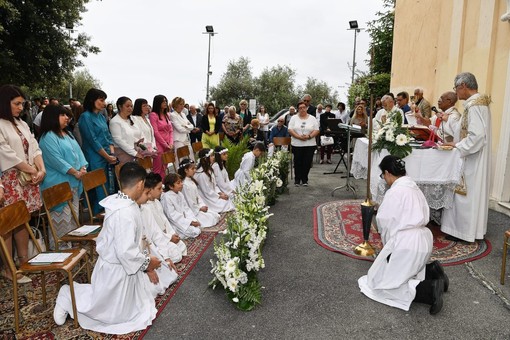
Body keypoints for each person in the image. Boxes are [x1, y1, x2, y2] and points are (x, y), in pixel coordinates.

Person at [53, 162, 160, 333]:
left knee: (136, 310)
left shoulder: (125, 202)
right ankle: (67, 295)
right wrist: (147, 263)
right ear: (140, 184)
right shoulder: (123, 212)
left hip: (124, 268)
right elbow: (125, 252)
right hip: (115, 269)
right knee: (112, 317)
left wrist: (146, 263)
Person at [358, 155, 447, 314]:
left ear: (387, 173)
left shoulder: (395, 192)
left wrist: (388, 249)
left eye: (383, 176)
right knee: (392, 274)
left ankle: (430, 289)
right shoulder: (414, 186)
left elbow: (385, 222)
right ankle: (431, 271)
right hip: (424, 240)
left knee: (379, 286)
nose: (384, 180)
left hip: (407, 245)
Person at [0, 84, 46, 283]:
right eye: (16, 104)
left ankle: (24, 262)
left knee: (22, 221)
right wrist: (31, 169)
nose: (20, 107)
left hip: (27, 178)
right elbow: (5, 153)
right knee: (7, 226)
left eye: (22, 103)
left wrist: (41, 169)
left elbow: (34, 147)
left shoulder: (21, 124)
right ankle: (9, 269)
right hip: (9, 180)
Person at [441, 72, 491, 242]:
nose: (456, 93)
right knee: (466, 195)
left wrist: (457, 146)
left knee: (466, 195)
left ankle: (465, 232)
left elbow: (477, 136)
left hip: (471, 158)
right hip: (473, 156)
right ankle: (465, 230)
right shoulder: (476, 103)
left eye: (456, 88)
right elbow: (463, 129)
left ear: (463, 86)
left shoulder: (475, 105)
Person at [39, 105, 88, 249]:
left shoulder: (67, 133)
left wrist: (83, 168)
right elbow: (56, 160)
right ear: (52, 117)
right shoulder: (47, 137)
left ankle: (71, 251)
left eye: (67, 115)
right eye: (62, 115)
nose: (67, 118)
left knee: (72, 220)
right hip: (57, 186)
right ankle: (60, 254)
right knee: (60, 222)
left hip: (72, 183)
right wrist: (75, 172)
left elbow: (79, 152)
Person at [79, 88, 118, 214]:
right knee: (100, 189)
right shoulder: (85, 117)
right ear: (92, 100)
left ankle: (108, 214)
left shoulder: (101, 117)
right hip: (94, 157)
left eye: (104, 100)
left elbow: (108, 136)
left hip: (107, 156)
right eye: (101, 100)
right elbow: (93, 140)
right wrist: (107, 156)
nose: (104, 103)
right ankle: (98, 215)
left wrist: (112, 154)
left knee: (110, 188)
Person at [136, 181, 178, 298]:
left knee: (171, 274)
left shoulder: (146, 209)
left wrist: (166, 257)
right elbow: (130, 249)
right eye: (147, 193)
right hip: (137, 261)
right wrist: (147, 268)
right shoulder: (129, 214)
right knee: (152, 290)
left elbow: (156, 234)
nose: (149, 197)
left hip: (150, 252)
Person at [141, 173, 187, 263]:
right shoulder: (145, 207)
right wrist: (169, 237)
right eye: (159, 188)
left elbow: (165, 221)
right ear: (150, 190)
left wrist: (172, 234)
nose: (162, 191)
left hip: (166, 236)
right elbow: (154, 230)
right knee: (176, 254)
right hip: (159, 240)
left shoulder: (157, 202)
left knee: (181, 246)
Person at [179, 158, 220, 228]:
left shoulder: (191, 181)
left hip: (198, 207)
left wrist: (202, 205)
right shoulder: (185, 185)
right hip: (194, 211)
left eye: (194, 168)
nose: (195, 170)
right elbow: (189, 202)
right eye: (192, 169)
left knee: (216, 215)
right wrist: (199, 209)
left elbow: (198, 196)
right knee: (212, 219)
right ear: (186, 170)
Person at [287, 101, 320, 186]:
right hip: (297, 143)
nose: (302, 109)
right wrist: (298, 137)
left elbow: (316, 130)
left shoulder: (312, 118)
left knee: (307, 162)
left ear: (306, 108)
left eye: (304, 107)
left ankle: (305, 179)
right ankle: (297, 179)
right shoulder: (294, 118)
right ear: (298, 109)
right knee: (298, 162)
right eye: (300, 108)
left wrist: (309, 136)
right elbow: (290, 129)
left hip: (310, 144)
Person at [160, 173, 202, 239]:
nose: (181, 184)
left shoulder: (180, 194)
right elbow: (172, 216)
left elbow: (186, 209)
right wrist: (189, 222)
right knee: (194, 231)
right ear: (171, 186)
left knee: (198, 225)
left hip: (186, 220)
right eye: (178, 183)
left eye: (181, 182)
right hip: (177, 223)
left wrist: (192, 220)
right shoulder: (167, 197)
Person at [194, 148, 235, 213]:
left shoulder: (209, 168)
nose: (214, 157)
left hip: (213, 194)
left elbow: (214, 185)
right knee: (227, 204)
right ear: (205, 159)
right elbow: (207, 191)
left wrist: (220, 193)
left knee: (229, 200)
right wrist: (219, 196)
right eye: (212, 156)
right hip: (207, 197)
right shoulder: (201, 174)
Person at [109, 96, 144, 164]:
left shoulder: (132, 119)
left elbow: (134, 134)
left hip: (135, 151)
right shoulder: (115, 121)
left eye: (131, 106)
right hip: (122, 154)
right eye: (127, 106)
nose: (130, 108)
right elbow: (119, 141)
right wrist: (134, 153)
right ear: (120, 106)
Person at [149, 95, 174, 178]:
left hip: (168, 145)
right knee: (157, 169)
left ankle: (162, 187)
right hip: (159, 144)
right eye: (163, 101)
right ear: (158, 103)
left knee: (164, 167)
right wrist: (165, 145)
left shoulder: (167, 115)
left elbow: (171, 131)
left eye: (166, 101)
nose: (165, 103)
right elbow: (155, 132)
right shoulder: (153, 115)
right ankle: (156, 187)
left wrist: (170, 143)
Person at [169, 97, 194, 164]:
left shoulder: (183, 114)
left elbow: (192, 126)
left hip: (186, 139)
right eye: (180, 104)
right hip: (178, 140)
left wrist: (186, 126)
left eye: (183, 104)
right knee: (179, 160)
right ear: (175, 105)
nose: (182, 106)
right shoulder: (172, 115)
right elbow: (180, 129)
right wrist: (188, 128)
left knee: (191, 158)